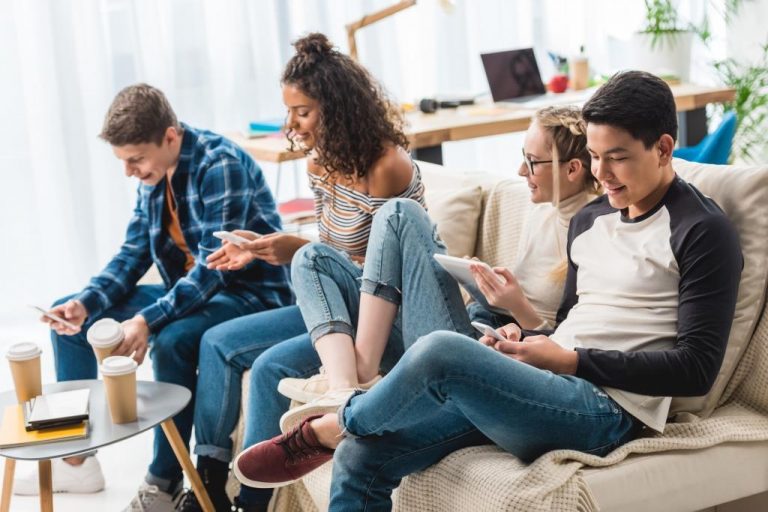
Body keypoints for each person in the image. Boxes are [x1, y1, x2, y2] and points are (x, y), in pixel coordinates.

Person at [232, 70, 744, 512]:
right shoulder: (590, 219)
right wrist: (524, 341)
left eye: (617, 158)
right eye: (593, 156)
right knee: (365, 456)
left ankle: (330, 426)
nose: (601, 174)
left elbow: (695, 369)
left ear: (663, 148)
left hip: (607, 413)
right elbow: (567, 323)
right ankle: (345, 434)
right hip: (543, 382)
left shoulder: (701, 230)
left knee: (437, 351)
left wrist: (568, 361)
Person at [17, 84, 293, 511]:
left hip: (247, 294)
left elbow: (211, 271)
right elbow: (133, 255)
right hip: (191, 291)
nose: (129, 171)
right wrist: (87, 303)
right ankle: (74, 461)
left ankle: (162, 480)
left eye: (135, 159)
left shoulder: (220, 164)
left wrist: (147, 321)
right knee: (73, 324)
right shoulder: (154, 173)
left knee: (171, 337)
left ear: (170, 135)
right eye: (123, 161)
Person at [180, 33, 425, 512]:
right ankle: (212, 484)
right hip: (336, 303)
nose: (292, 123)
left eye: (303, 111)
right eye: (289, 111)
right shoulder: (320, 164)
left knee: (271, 365)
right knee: (217, 341)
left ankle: (251, 501)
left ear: (338, 108)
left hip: (384, 314)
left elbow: (383, 271)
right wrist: (270, 247)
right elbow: (331, 251)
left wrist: (298, 250)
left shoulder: (386, 167)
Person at [275, 104, 601, 434]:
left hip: (483, 363)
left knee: (400, 213)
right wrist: (484, 285)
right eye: (523, 157)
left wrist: (515, 305)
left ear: (572, 169)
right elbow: (508, 316)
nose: (520, 170)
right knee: (311, 258)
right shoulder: (545, 211)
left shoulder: (593, 235)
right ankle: (345, 385)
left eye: (532, 162)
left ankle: (355, 378)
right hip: (484, 334)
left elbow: (564, 351)